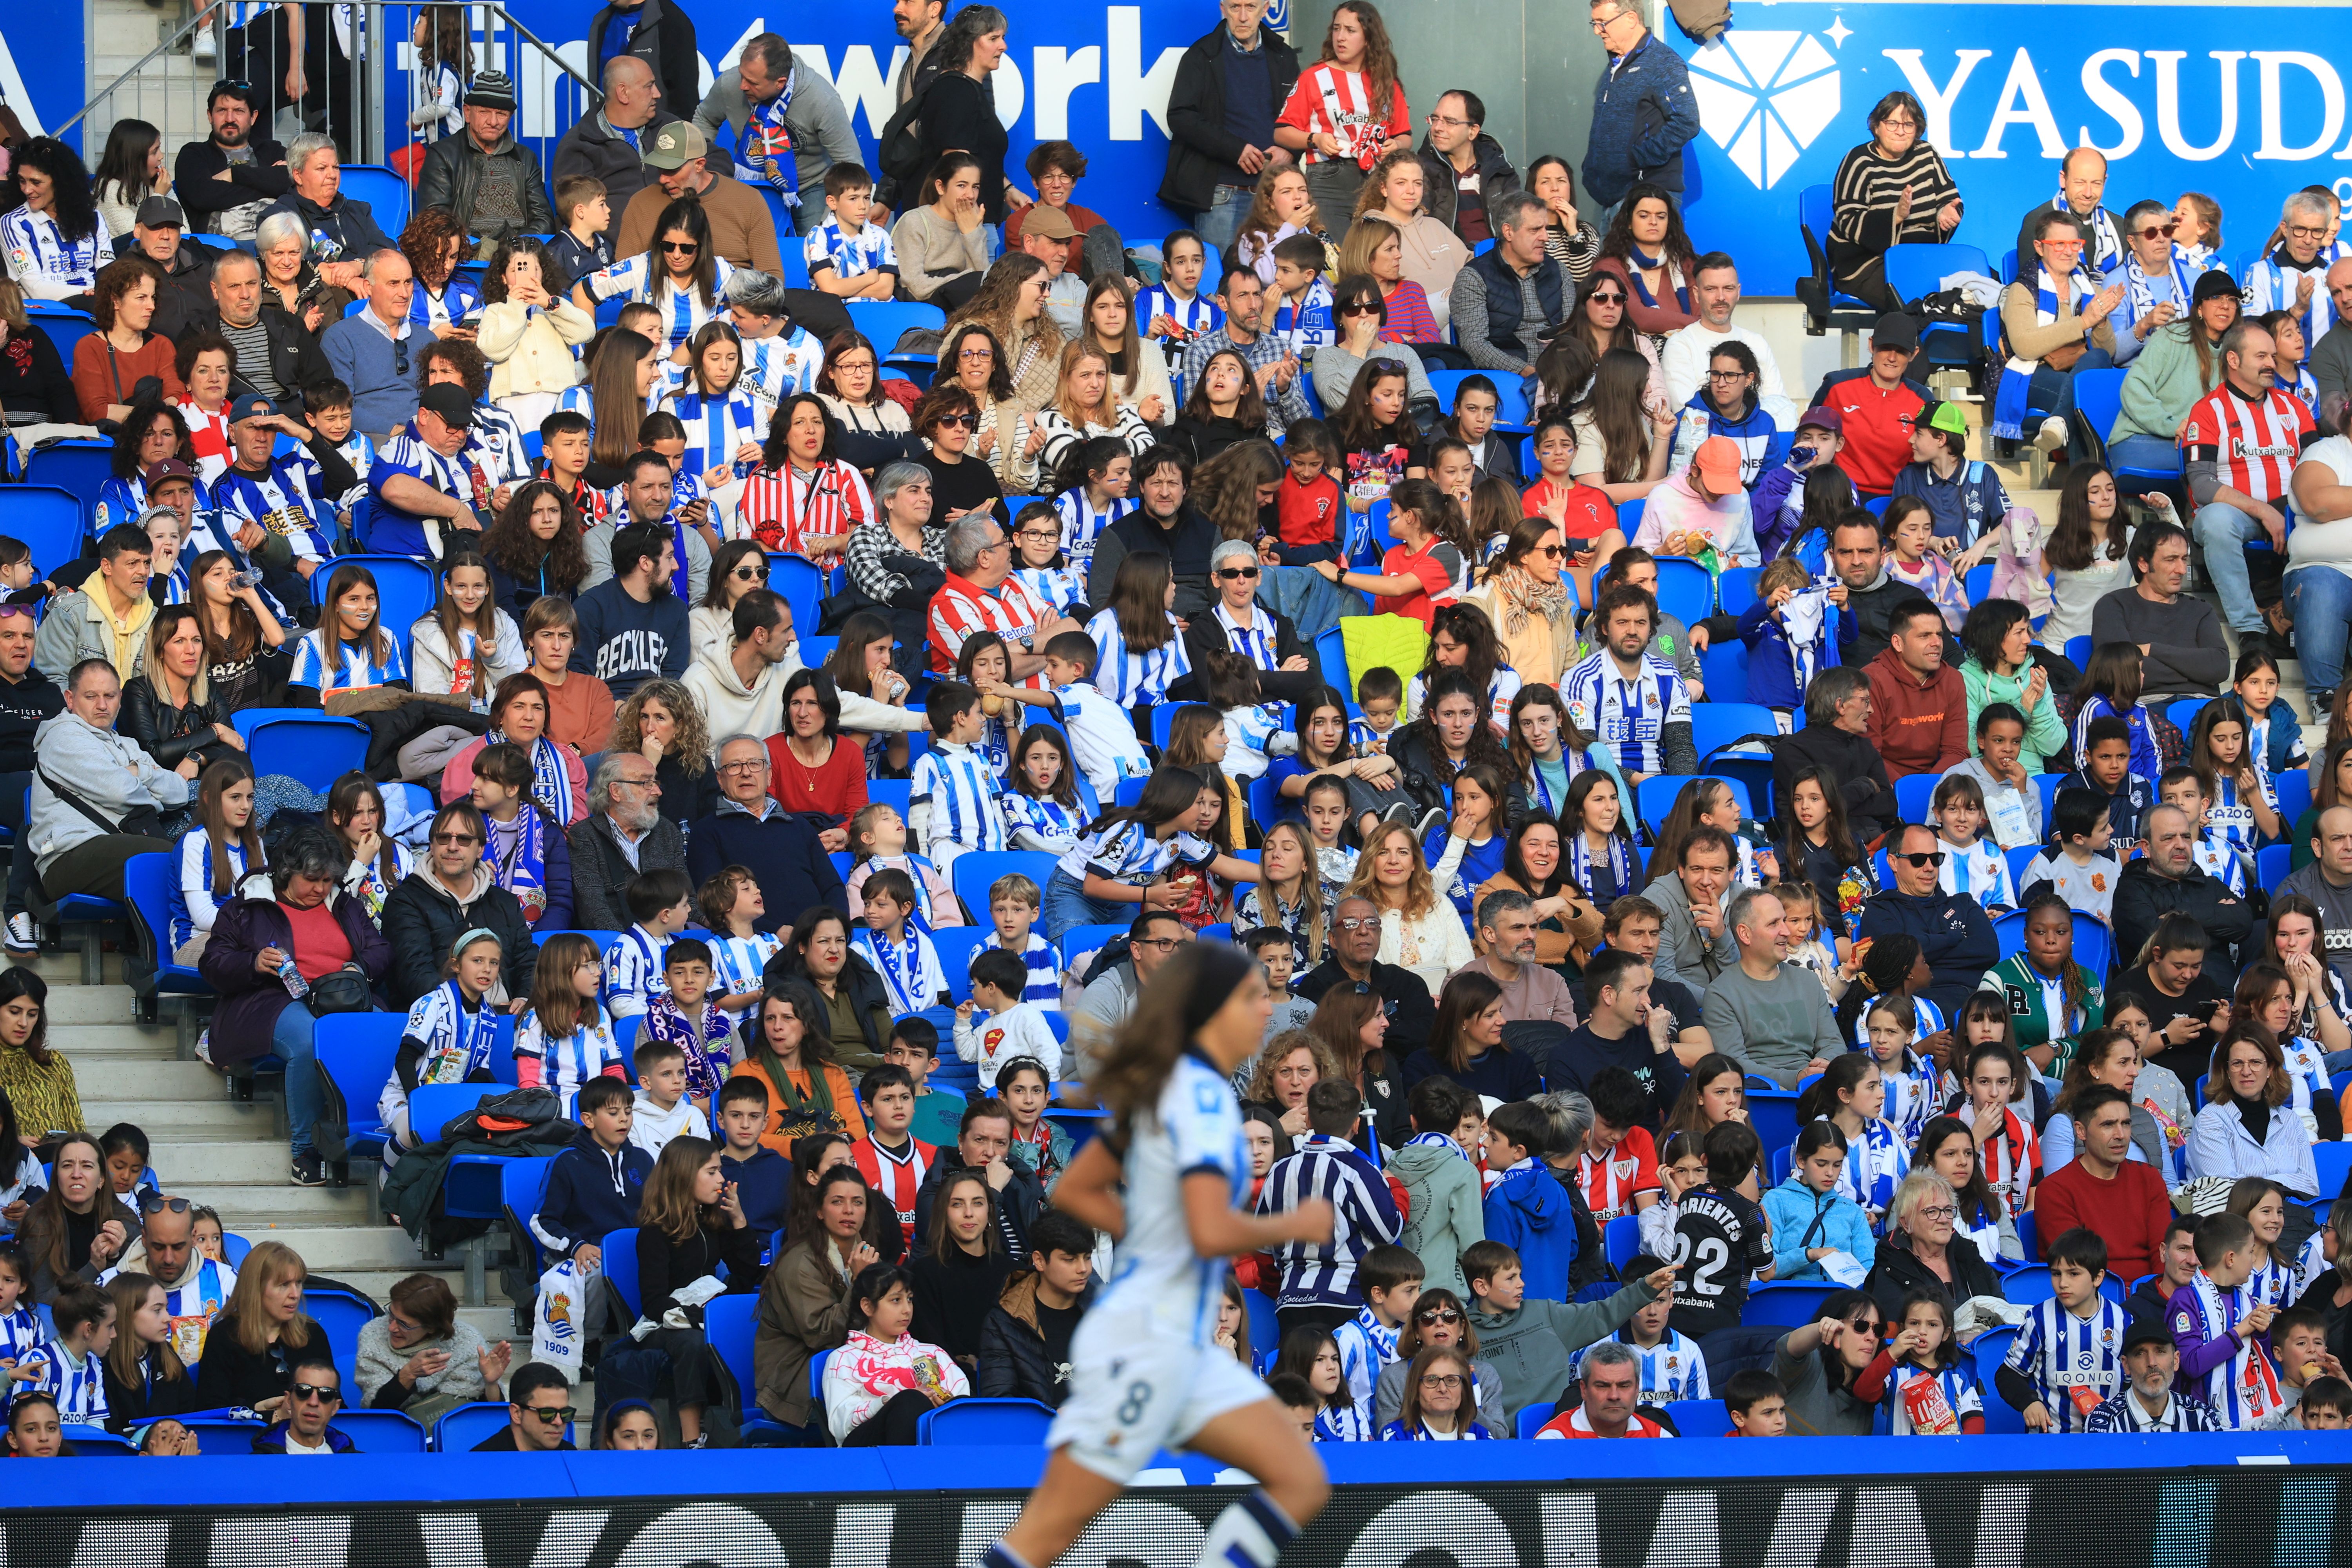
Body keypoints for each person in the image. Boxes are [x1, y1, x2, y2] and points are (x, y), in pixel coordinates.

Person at [980, 944, 1336, 1568]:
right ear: (1213, 1011)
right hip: (1146, 1342)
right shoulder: (1197, 1099)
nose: (1264, 1011)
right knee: (1041, 1539)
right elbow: (1203, 1231)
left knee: (1301, 1480)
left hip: (1179, 1343)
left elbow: (1076, 1190)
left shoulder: (1166, 1089)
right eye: (1251, 998)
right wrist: (1293, 1223)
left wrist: (1154, 1232)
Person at [2173, 321, 2319, 663]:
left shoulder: (2295, 408)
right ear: (2234, 361)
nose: (2272, 363)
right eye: (2262, 356)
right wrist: (2265, 511)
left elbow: (2318, 467)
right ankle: (2251, 630)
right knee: (2213, 521)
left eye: (2272, 355)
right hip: (2243, 516)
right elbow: (2203, 485)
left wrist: (2290, 509)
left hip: (2298, 511)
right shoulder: (2208, 411)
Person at [1160, 0, 1301, 255]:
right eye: (1236, 7)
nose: (1244, 16)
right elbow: (1180, 117)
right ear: (1223, 9)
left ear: (1266, 9)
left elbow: (1301, 118)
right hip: (1222, 194)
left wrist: (1289, 152)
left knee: (1277, 279)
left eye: (1251, 7)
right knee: (1221, 286)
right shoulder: (1201, 55)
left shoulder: (1284, 56)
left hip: (1273, 193)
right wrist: (1235, 149)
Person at [690, 33, 863, 233]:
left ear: (780, 83)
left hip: (809, 186)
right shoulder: (729, 85)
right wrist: (701, 167)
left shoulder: (822, 100)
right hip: (750, 183)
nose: (743, 86)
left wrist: (830, 218)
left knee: (813, 250)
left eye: (753, 83)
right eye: (742, 75)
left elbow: (851, 165)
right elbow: (705, 118)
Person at [1824, 91, 1962, 312]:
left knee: (1975, 288)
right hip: (1868, 265)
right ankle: (1914, 347)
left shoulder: (1927, 154)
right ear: (1877, 127)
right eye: (1892, 123)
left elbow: (1950, 200)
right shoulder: (1859, 161)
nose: (1900, 131)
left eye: (1908, 124)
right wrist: (1895, 216)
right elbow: (1848, 220)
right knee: (1919, 304)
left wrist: (1944, 213)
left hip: (1922, 258)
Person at [1854, 823, 1999, 1023]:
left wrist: (1921, 954)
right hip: (1922, 1009)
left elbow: (1990, 951)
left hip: (1979, 1001)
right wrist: (1955, 938)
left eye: (1935, 859)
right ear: (1893, 862)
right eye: (1918, 859)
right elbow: (1895, 961)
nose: (1929, 867)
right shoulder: (1879, 911)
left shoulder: (1964, 904)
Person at [1700, 888, 1842, 1091]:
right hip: (1761, 1096)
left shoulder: (1809, 981)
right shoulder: (1721, 994)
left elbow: (1833, 1042)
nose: (1786, 931)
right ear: (1745, 934)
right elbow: (1734, 1064)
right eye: (1774, 924)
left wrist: (1823, 1065)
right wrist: (1796, 1078)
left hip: (1817, 1086)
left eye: (1784, 921)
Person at [909, 7, 1029, 232]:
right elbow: (955, 164)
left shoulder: (969, 89)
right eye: (994, 38)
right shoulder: (957, 90)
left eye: (1003, 38)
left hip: (975, 222)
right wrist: (968, 229)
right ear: (969, 43)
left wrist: (1006, 189)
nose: (1003, 46)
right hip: (965, 227)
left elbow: (978, 156)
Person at [1581, 0, 1697, 221]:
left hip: (1647, 198)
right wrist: (1593, 166)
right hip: (1613, 198)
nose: (1597, 31)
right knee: (1611, 259)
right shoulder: (1616, 65)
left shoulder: (1663, 62)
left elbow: (1687, 120)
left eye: (1603, 23)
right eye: (1594, 23)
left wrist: (1638, 158)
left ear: (1631, 19)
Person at [414, 71, 552, 257]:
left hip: (518, 255)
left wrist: (514, 249)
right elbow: (436, 218)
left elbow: (543, 219)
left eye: (501, 114)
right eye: (484, 112)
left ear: (510, 117)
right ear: (467, 112)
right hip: (465, 254)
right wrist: (483, 248)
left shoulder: (525, 158)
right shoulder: (443, 155)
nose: (493, 122)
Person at [550, 59, 679, 250]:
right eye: (649, 86)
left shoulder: (669, 126)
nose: (658, 94)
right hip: (618, 255)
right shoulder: (580, 145)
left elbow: (712, 159)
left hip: (679, 245)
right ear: (623, 93)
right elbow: (576, 212)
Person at [354, 1273, 510, 1426]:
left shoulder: (467, 1341)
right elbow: (376, 1414)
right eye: (391, 1315)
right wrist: (408, 1374)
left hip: (460, 1435)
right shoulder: (374, 1336)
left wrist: (490, 1383)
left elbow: (490, 1419)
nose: (392, 1327)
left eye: (404, 1324)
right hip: (399, 1438)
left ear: (431, 1327)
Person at [1451, 192, 1566, 383]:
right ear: (1508, 232)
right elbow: (1475, 346)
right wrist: (1526, 371)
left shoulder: (1559, 271)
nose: (1545, 237)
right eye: (1535, 230)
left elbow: (1572, 330)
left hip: (1561, 371)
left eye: (1545, 229)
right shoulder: (1473, 278)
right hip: (1507, 379)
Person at [2188, 1030, 2319, 1196]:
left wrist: (2259, 1185)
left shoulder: (2291, 1121)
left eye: (2256, 1062)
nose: (2246, 1071)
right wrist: (2284, 1184)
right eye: (2237, 1063)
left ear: (2270, 1069)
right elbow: (2225, 1188)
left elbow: (2310, 1185)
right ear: (2227, 1071)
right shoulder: (2211, 1120)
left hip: (2287, 1216)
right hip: (2232, 1220)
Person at [174, 82, 290, 245]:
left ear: (253, 117)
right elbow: (203, 197)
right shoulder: (194, 154)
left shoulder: (272, 150)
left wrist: (234, 174)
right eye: (222, 111)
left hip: (278, 244)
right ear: (210, 116)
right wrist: (267, 183)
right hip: (217, 249)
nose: (230, 119)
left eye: (239, 111)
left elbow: (291, 182)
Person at [2085, 1317, 2223, 1431]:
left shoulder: (2201, 1417)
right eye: (2140, 1353)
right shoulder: (2106, 1420)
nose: (2152, 1363)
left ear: (2176, 1360)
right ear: (2126, 1365)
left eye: (2160, 1351)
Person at [2014, 145, 2125, 282]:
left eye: (2096, 183)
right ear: (2063, 179)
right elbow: (2029, 284)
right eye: (2080, 182)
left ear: (2105, 181)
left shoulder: (2118, 226)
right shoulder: (2037, 221)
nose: (2088, 193)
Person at [587, 0, 698, 132]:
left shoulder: (671, 21)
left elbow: (685, 96)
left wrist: (677, 143)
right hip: (606, 138)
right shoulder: (601, 21)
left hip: (656, 140)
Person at [470, 1361, 578, 1451]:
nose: (559, 1422)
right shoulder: (481, 1462)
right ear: (516, 1413)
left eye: (565, 1413)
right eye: (547, 1413)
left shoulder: (570, 1456)